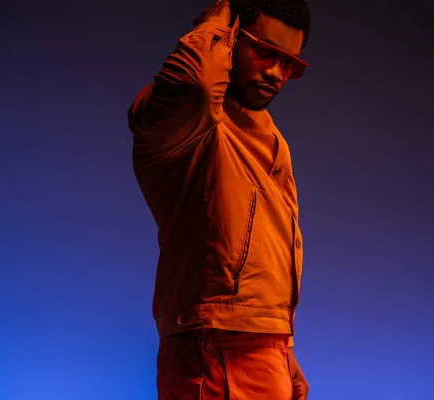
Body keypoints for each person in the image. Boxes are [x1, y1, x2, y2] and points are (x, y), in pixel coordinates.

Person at [128, 0, 312, 398]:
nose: (276, 73)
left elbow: (271, 248)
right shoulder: (185, 125)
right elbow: (193, 86)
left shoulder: (269, 138)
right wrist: (213, 27)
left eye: (290, 63)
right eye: (264, 51)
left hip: (263, 346)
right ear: (230, 38)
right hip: (213, 349)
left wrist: (284, 347)